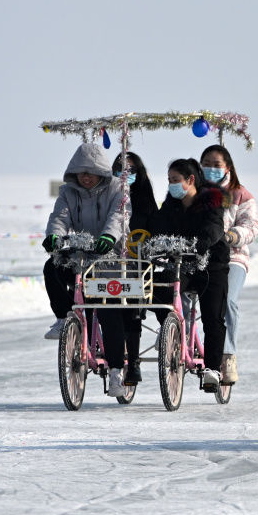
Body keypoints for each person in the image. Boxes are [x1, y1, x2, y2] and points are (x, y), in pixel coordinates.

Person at [41, 142, 129, 396]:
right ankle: (63, 318)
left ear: (101, 170)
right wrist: (54, 236)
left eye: (90, 172)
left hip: (108, 256)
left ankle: (116, 372)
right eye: (81, 172)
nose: (86, 177)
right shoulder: (68, 192)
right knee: (53, 268)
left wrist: (109, 237)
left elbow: (119, 216)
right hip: (79, 252)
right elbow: (60, 216)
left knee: (107, 310)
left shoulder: (117, 188)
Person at [149, 158, 231, 386]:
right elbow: (158, 227)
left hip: (211, 265)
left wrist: (201, 244)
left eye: (176, 180)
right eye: (169, 181)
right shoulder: (171, 204)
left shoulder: (212, 201)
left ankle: (213, 368)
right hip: (181, 264)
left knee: (213, 316)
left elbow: (214, 228)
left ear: (190, 180)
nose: (171, 185)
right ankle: (171, 329)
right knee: (157, 289)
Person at [199, 144, 258, 385]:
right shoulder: (193, 192)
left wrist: (233, 235)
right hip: (200, 255)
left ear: (228, 168)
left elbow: (252, 226)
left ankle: (227, 354)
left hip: (232, 256)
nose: (211, 169)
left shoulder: (240, 194)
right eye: (206, 164)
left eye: (216, 165)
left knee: (228, 300)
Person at [111, 151, 158, 385]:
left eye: (131, 170)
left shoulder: (145, 200)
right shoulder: (108, 196)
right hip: (110, 262)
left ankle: (134, 362)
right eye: (121, 169)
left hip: (137, 262)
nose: (125, 174)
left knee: (131, 310)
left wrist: (142, 250)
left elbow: (155, 231)